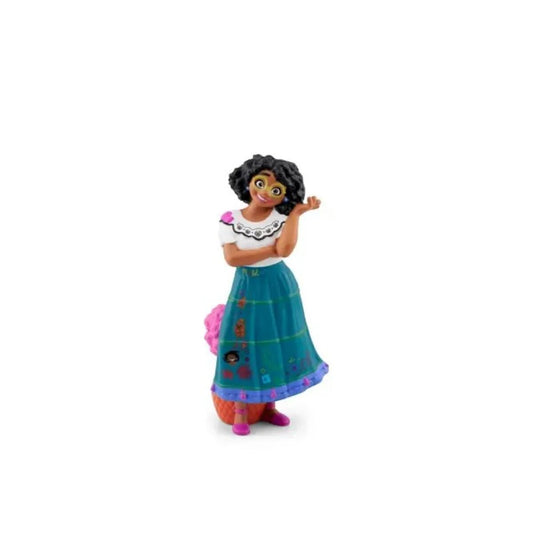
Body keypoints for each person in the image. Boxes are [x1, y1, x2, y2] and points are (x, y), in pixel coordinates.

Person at [211, 154, 329, 435]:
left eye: (276, 190)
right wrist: (269, 250)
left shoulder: (282, 218)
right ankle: (240, 409)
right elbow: (233, 258)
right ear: (248, 180)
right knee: (243, 343)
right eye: (260, 183)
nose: (265, 192)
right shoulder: (230, 220)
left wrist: (296, 215)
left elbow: (285, 250)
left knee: (274, 342)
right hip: (247, 288)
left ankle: (269, 406)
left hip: (278, 285)